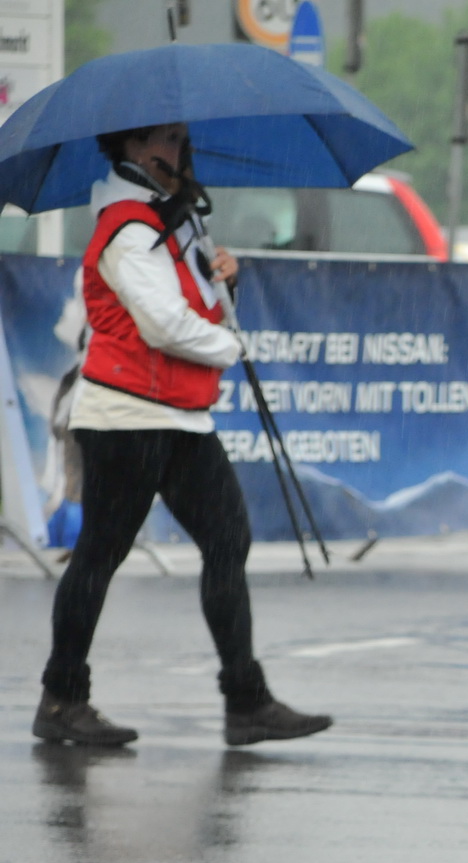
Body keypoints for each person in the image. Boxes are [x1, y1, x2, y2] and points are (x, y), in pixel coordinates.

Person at [32, 121, 332, 748]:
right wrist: (231, 345)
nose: (173, 150)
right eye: (158, 141)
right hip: (125, 417)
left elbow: (195, 307)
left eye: (177, 139)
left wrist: (226, 278)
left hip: (178, 414)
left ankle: (246, 703)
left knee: (228, 541)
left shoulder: (172, 219)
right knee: (99, 556)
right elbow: (164, 324)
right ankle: (62, 699)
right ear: (129, 151)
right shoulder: (129, 227)